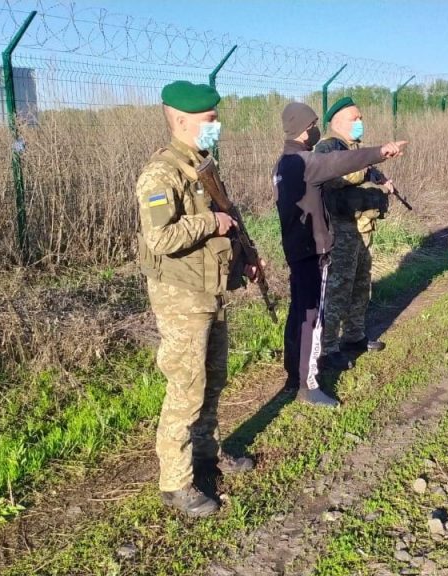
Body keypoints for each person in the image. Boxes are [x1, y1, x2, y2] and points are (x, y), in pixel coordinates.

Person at [136, 80, 260, 517]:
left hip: (212, 287)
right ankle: (175, 482)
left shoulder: (202, 163)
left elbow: (227, 219)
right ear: (183, 121)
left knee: (214, 376)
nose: (216, 125)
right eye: (210, 120)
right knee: (186, 386)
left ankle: (206, 451)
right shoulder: (161, 173)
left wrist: (244, 257)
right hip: (181, 294)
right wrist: (209, 223)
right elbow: (161, 237)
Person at [273, 102, 406, 408]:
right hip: (312, 249)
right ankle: (309, 385)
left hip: (296, 247)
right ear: (306, 129)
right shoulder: (307, 161)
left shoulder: (282, 163)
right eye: (314, 124)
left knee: (298, 317)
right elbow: (341, 162)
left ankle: (294, 374)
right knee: (311, 319)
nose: (316, 128)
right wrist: (380, 151)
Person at [314, 97, 394, 369]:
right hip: (341, 228)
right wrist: (365, 170)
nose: (360, 122)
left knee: (361, 284)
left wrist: (381, 183)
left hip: (362, 226)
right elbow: (332, 177)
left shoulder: (354, 148)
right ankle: (328, 348)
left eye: (361, 118)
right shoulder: (328, 148)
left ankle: (354, 336)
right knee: (339, 288)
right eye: (354, 119)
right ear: (337, 122)